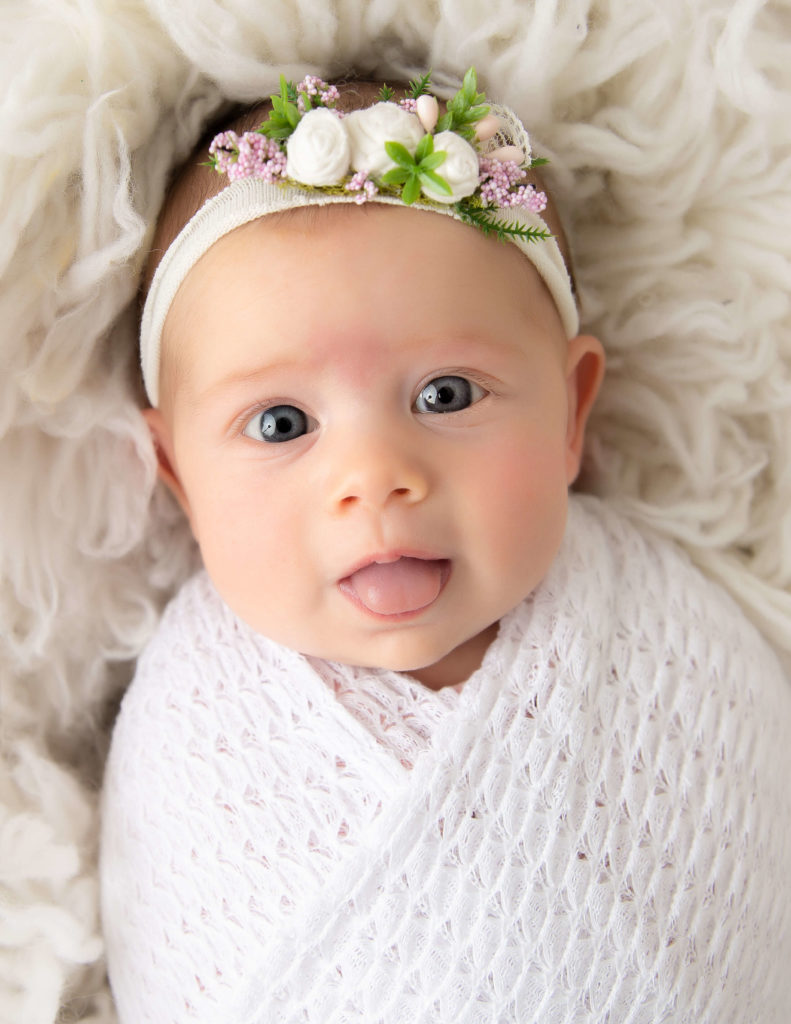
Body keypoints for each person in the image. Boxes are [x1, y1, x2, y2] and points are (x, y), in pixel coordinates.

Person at [100, 70, 791, 1023]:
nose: (374, 475)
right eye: (281, 423)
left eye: (447, 396)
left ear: (571, 412)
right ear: (178, 475)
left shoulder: (679, 652)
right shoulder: (189, 719)